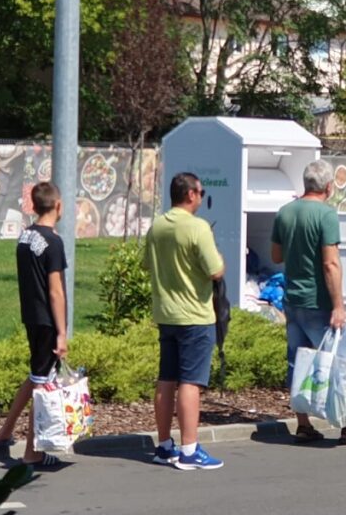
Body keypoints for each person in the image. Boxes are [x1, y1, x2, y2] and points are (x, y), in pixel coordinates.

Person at [272, 160, 346, 445]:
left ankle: (303, 425)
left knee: (298, 362)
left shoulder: (285, 213)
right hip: (318, 302)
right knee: (342, 362)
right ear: (329, 187)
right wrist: (339, 305)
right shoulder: (326, 215)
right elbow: (331, 263)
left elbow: (276, 255)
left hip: (292, 299)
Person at [144, 172, 225, 470]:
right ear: (190, 194)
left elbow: (146, 264)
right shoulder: (198, 227)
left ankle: (165, 445)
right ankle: (189, 449)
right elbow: (215, 270)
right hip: (195, 315)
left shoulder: (157, 227)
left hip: (166, 313)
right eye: (201, 192)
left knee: (167, 378)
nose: (202, 198)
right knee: (191, 381)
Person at [0, 182, 68, 468]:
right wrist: (62, 332)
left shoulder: (26, 237)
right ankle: (31, 452)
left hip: (31, 317)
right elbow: (56, 291)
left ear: (33, 207)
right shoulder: (53, 242)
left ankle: (4, 435)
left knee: (36, 377)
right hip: (48, 321)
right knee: (42, 384)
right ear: (58, 206)